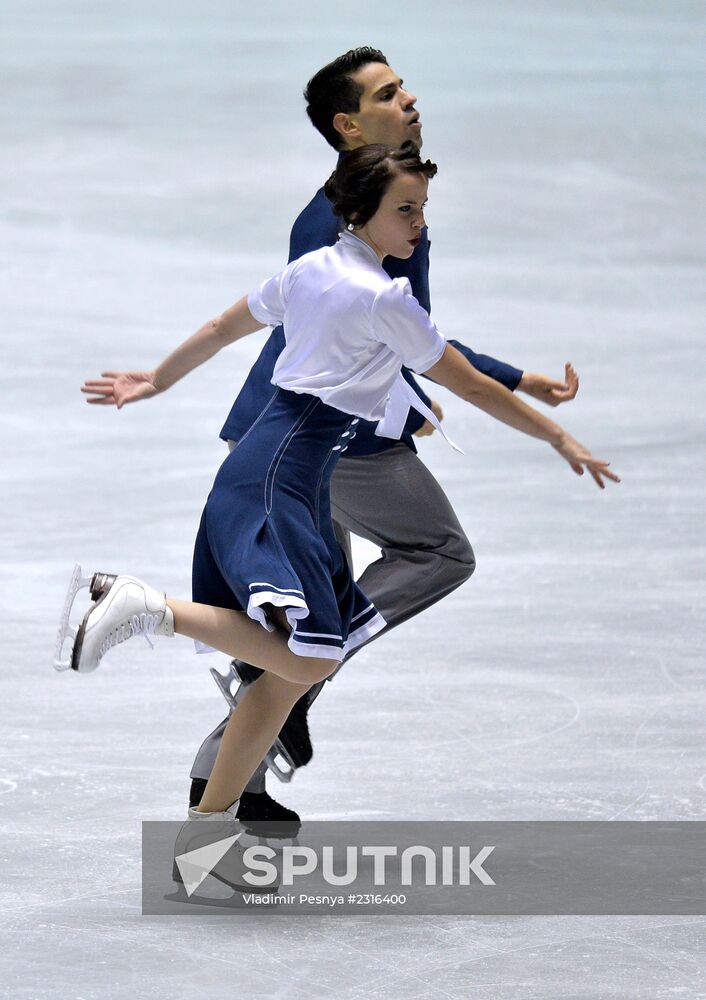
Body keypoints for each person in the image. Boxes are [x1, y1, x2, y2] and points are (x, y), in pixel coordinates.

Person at [73, 145, 618, 856]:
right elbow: (470, 387)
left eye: (422, 208)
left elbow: (220, 329)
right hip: (284, 473)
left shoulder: (309, 271)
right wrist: (558, 438)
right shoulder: (384, 298)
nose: (419, 224)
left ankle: (204, 840)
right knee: (308, 658)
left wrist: (159, 379)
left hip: (279, 466)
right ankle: (151, 609)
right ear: (360, 211)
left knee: (289, 672)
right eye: (405, 209)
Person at [176, 46, 581, 830]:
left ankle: (240, 768)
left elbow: (407, 331)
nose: (411, 99)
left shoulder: (388, 204)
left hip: (300, 435)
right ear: (348, 123)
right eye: (390, 93)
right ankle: (284, 691)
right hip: (324, 440)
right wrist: (479, 393)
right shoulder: (329, 223)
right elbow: (346, 336)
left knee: (303, 625)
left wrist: (516, 377)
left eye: (405, 87)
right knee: (433, 556)